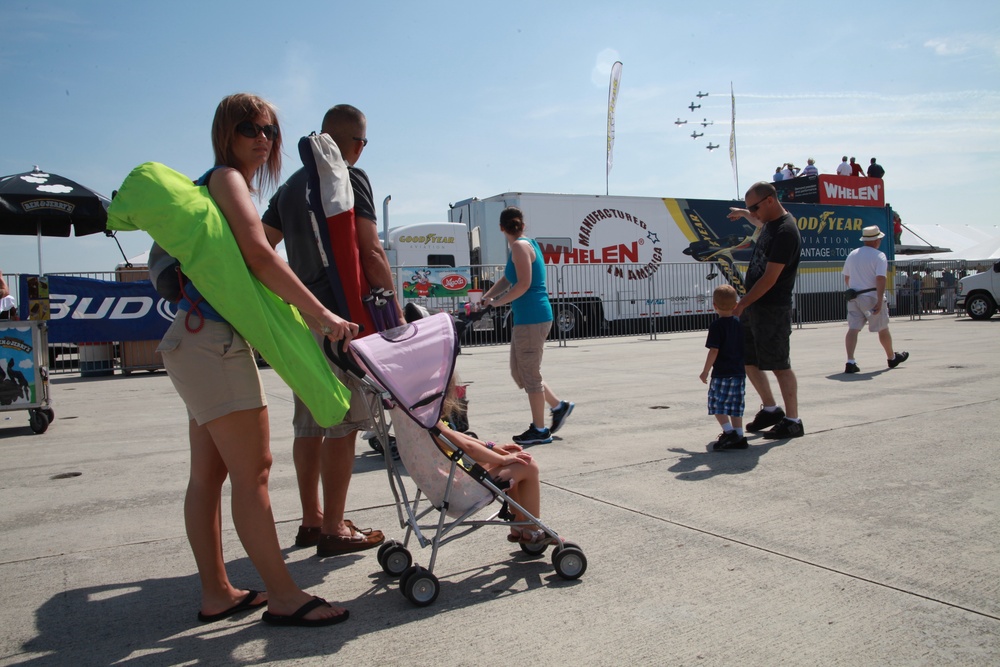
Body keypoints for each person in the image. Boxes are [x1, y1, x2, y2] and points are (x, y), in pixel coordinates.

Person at [156, 93, 354, 627]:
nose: (261, 138)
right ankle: (286, 596)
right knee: (254, 473)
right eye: (249, 128)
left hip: (195, 341)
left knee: (210, 475)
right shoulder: (228, 181)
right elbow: (259, 254)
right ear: (227, 132)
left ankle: (217, 592)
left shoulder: (216, 180)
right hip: (212, 343)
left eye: (269, 129)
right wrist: (321, 315)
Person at [263, 104, 393, 557]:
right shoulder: (349, 177)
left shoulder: (290, 186)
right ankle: (336, 528)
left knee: (310, 423)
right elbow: (370, 249)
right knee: (343, 424)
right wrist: (392, 309)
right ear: (355, 143)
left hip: (305, 321)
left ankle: (312, 522)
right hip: (342, 322)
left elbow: (260, 246)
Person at [481, 206, 573, 445]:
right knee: (520, 371)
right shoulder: (523, 245)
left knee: (530, 374)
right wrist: (488, 296)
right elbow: (508, 279)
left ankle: (539, 430)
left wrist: (496, 303)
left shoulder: (520, 247)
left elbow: (523, 285)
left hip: (533, 318)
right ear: (523, 225)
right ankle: (558, 406)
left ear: (502, 228)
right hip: (528, 319)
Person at [728, 182, 804, 440]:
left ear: (770, 200)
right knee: (749, 360)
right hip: (755, 306)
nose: (754, 213)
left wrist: (742, 303)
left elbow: (770, 278)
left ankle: (793, 421)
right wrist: (744, 212)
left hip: (772, 308)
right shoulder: (770, 223)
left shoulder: (786, 231)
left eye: (755, 207)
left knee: (779, 365)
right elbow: (759, 222)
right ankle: (771, 409)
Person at [437, 380, 547, 544]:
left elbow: (460, 438)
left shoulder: (418, 418)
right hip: (460, 490)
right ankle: (533, 530)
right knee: (527, 464)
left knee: (514, 455)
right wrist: (502, 459)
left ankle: (519, 525)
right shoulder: (430, 423)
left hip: (451, 481)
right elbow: (468, 448)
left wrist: (493, 447)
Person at [842, 226, 909, 373]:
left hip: (854, 296)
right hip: (871, 296)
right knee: (882, 328)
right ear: (876, 240)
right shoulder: (879, 256)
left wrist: (855, 287)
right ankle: (891, 358)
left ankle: (850, 361)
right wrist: (879, 300)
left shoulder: (852, 254)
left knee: (853, 329)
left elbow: (847, 277)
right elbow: (880, 278)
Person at [699, 284, 746, 451]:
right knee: (736, 405)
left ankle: (728, 432)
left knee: (717, 404)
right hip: (739, 372)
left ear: (714, 306)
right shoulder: (740, 323)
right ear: (735, 305)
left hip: (722, 373)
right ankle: (739, 435)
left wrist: (706, 371)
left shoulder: (716, 326)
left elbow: (714, 350)